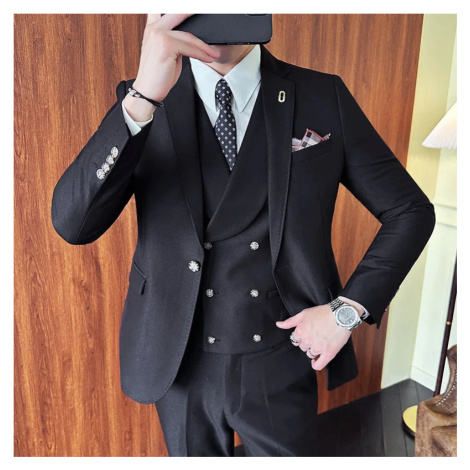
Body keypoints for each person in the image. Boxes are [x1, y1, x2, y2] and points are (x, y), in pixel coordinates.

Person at [51, 14, 436, 456]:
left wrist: (346, 311)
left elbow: (410, 210)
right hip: (177, 357)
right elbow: (73, 225)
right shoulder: (144, 97)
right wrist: (142, 97)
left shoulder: (320, 94)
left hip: (281, 355)